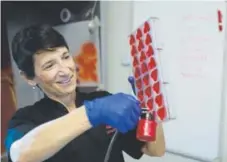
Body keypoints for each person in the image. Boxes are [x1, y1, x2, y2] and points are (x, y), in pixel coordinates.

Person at [4, 24, 165, 162]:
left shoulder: (102, 99)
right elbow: (19, 154)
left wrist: (149, 104)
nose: (65, 70)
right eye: (50, 65)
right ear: (29, 77)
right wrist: (93, 113)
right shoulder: (25, 118)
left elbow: (155, 150)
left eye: (65, 57)